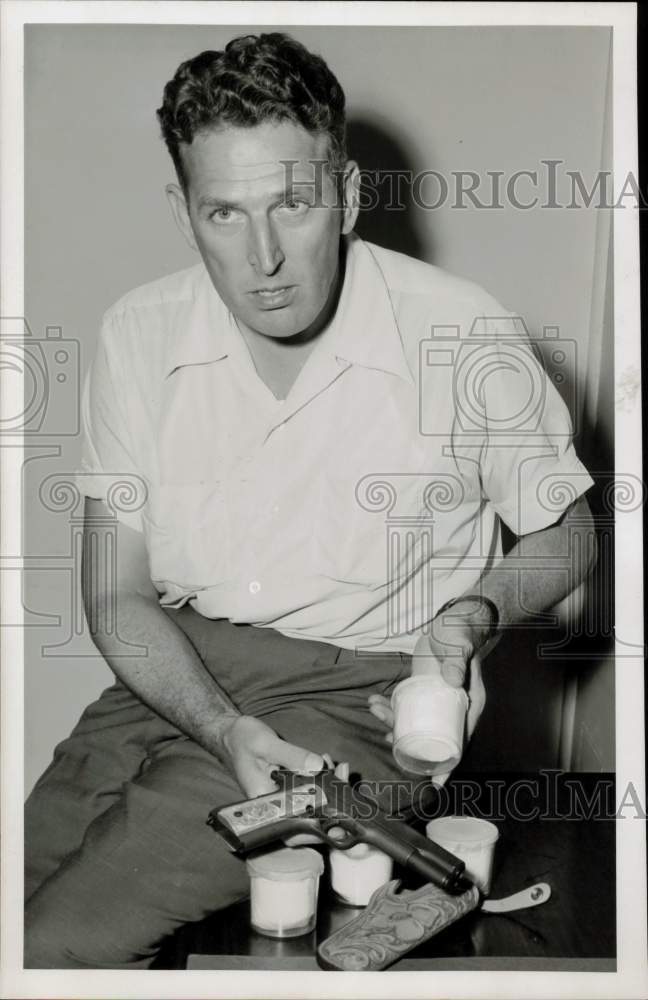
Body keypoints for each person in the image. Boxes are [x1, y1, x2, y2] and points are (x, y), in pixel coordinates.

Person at [24, 32, 595, 969]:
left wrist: (465, 620)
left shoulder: (464, 328)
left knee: (57, 947)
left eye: (293, 205)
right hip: (175, 664)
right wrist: (222, 724)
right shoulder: (137, 332)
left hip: (356, 696)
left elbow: (566, 531)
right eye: (224, 214)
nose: (264, 259)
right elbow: (114, 593)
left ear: (349, 196)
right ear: (184, 213)